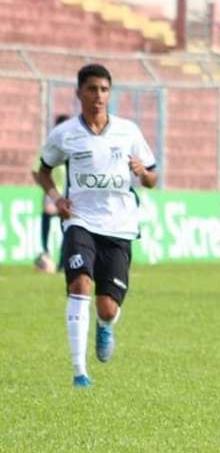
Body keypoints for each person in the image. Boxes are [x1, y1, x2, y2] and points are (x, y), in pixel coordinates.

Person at [36, 64, 159, 388]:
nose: (99, 96)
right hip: (80, 221)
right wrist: (56, 198)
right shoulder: (65, 134)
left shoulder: (128, 131)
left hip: (119, 226)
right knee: (80, 285)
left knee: (107, 307)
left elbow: (152, 179)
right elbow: (43, 170)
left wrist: (142, 173)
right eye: (92, 89)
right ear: (79, 93)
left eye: (104, 90)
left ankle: (106, 326)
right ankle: (80, 373)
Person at [30, 113, 71, 272]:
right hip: (52, 193)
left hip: (69, 194)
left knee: (66, 227)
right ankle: (45, 252)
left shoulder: (74, 149)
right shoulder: (49, 148)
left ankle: (62, 262)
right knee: (47, 217)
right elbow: (36, 171)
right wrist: (48, 191)